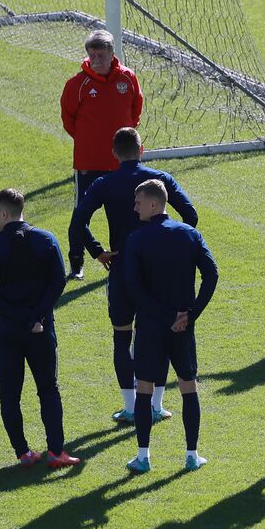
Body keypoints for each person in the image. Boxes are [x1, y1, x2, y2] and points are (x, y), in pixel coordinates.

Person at [68, 127, 198, 425]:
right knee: (161, 333)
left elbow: (78, 223)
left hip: (123, 268)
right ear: (142, 150)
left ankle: (130, 407)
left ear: (113, 153)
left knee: (121, 337)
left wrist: (99, 251)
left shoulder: (104, 182)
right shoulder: (160, 179)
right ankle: (156, 406)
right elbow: (190, 215)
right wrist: (171, 244)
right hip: (160, 272)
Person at [0, 189, 79, 467]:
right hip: (41, 328)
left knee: (10, 393)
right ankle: (57, 452)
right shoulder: (46, 239)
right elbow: (58, 282)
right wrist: (36, 316)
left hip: (9, 331)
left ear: (5, 213)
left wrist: (18, 315)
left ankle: (23, 453)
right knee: (48, 388)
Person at [123, 180, 219, 473]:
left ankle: (143, 457)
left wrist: (165, 316)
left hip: (151, 327)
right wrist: (190, 314)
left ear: (153, 204)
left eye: (138, 201)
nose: (135, 206)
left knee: (145, 392)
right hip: (183, 329)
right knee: (188, 388)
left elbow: (134, 288)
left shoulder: (137, 239)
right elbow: (212, 274)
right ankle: (191, 455)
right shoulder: (190, 234)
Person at [60, 29, 142, 280]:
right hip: (89, 163)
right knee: (81, 215)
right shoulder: (77, 84)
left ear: (111, 54)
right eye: (91, 54)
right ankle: (77, 263)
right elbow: (68, 119)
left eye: (100, 54)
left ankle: (125, 258)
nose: (95, 59)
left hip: (123, 164)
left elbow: (135, 111)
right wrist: (89, 141)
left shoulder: (127, 79)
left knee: (127, 214)